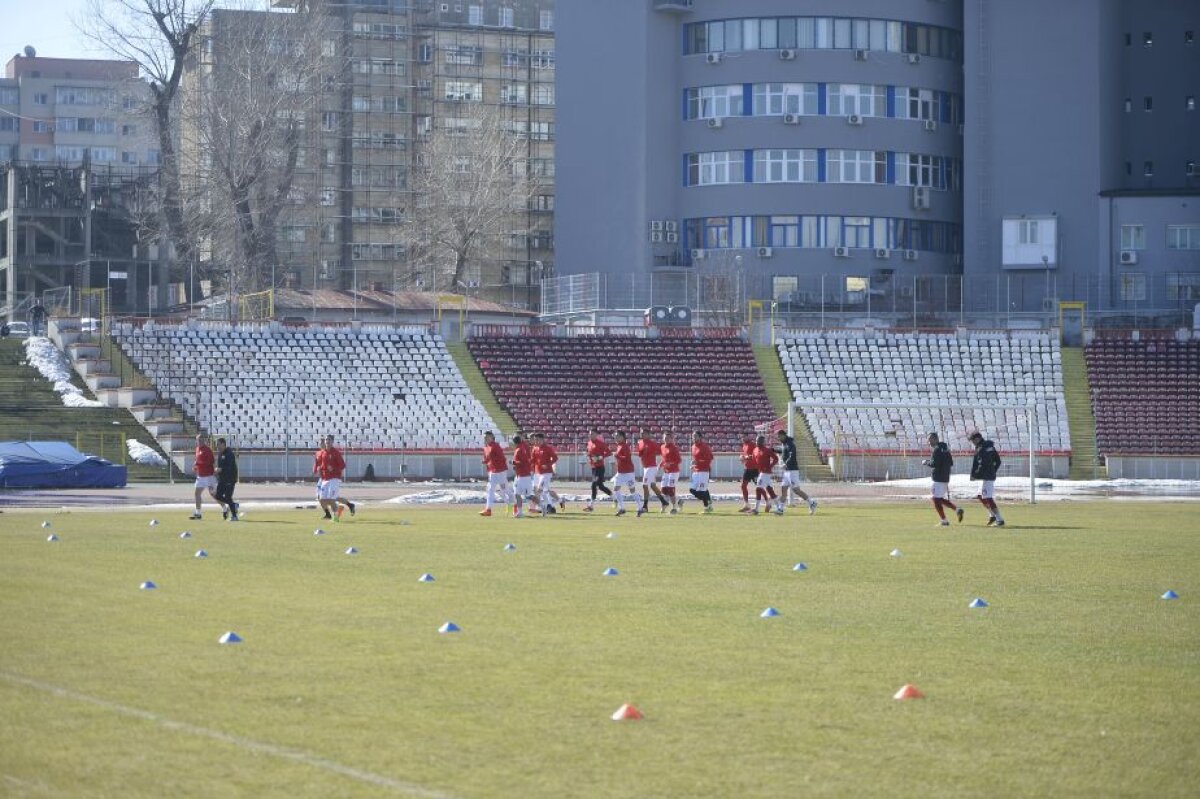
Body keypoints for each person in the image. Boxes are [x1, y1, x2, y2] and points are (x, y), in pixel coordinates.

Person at [775, 429, 818, 515]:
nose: (778, 438)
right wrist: (773, 450)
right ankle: (780, 509)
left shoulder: (790, 444)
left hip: (792, 471)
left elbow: (792, 455)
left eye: (779, 436)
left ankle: (811, 502)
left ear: (783, 435)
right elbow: (783, 452)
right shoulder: (784, 444)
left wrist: (785, 464)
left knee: (796, 490)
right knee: (783, 489)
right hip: (787, 471)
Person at [923, 432, 963, 527]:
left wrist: (926, 462)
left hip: (938, 478)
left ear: (935, 439)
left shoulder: (937, 450)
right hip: (945, 477)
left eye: (930, 440)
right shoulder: (946, 449)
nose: (929, 442)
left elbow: (934, 464)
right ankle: (957, 509)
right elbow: (951, 463)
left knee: (935, 499)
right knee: (939, 499)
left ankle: (944, 520)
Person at [968, 431, 1005, 526]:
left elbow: (981, 464)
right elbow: (998, 461)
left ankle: (999, 519)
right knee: (980, 495)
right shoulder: (990, 446)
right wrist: (993, 470)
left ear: (977, 439)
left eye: (972, 441)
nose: (972, 443)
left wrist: (975, 475)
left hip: (986, 476)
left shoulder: (981, 448)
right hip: (988, 475)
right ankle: (992, 515)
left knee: (988, 498)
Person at [635, 427, 668, 517]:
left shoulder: (653, 444)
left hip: (651, 467)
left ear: (648, 434)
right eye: (641, 433)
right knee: (652, 486)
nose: (642, 434)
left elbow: (662, 452)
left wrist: (664, 462)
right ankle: (664, 502)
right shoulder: (640, 443)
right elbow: (640, 454)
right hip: (646, 467)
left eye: (644, 433)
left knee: (645, 485)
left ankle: (645, 506)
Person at [479, 431, 512, 517]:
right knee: (490, 490)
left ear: (492, 437)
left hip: (500, 471)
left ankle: (513, 503)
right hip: (492, 472)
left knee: (504, 490)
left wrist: (497, 465)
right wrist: (485, 461)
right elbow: (487, 459)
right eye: (485, 437)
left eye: (487, 437)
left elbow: (502, 458)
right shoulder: (485, 447)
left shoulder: (496, 446)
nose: (485, 438)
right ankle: (488, 509)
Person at [324, 435, 357, 520]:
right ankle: (350, 505)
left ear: (332, 442)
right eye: (326, 440)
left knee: (331, 498)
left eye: (329, 440)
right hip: (327, 479)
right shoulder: (324, 452)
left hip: (335, 478)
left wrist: (333, 468)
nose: (327, 441)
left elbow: (343, 465)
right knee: (333, 497)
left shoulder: (336, 452)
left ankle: (336, 517)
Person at [531, 432, 564, 515]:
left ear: (542, 440)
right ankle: (557, 502)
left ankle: (546, 507)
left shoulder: (548, 448)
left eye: (537, 440)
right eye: (535, 440)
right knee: (544, 490)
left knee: (540, 490)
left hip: (546, 473)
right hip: (537, 473)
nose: (536, 441)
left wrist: (548, 464)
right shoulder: (534, 448)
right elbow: (533, 460)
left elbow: (555, 458)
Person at [584, 427, 613, 512]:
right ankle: (614, 497)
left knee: (594, 485)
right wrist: (589, 456)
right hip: (593, 468)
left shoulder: (600, 443)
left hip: (600, 468)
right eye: (589, 433)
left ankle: (591, 506)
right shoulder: (589, 443)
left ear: (596, 435)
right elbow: (589, 453)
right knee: (600, 486)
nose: (590, 435)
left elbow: (609, 452)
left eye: (592, 433)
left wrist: (600, 457)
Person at [190, 433, 218, 520]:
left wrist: (199, 464)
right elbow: (197, 460)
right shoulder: (197, 449)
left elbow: (211, 462)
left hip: (208, 476)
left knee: (213, 494)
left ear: (204, 441)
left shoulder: (207, 450)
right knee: (197, 493)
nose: (199, 441)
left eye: (201, 440)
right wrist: (195, 466)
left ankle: (227, 507)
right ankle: (198, 513)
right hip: (200, 476)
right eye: (198, 440)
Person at [610, 430, 638, 516]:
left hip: (628, 472)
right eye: (615, 436)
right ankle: (622, 508)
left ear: (623, 437)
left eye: (618, 436)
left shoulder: (625, 446)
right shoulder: (619, 446)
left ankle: (640, 508)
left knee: (632, 491)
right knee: (616, 489)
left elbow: (626, 458)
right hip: (621, 472)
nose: (616, 438)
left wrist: (617, 456)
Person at [213, 437, 240, 521]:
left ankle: (234, 516)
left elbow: (230, 467)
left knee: (228, 497)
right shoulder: (220, 454)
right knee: (217, 496)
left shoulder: (229, 454)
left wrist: (221, 469)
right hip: (222, 479)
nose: (217, 447)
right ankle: (233, 505)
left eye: (218, 445)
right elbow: (220, 466)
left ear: (223, 444)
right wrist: (217, 470)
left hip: (230, 479)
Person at [688, 430, 715, 513]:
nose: (693, 438)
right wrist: (693, 466)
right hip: (695, 472)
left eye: (695, 436)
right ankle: (709, 501)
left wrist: (698, 462)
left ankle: (707, 507)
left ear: (700, 437)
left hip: (704, 472)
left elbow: (709, 460)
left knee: (701, 491)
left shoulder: (705, 447)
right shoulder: (692, 447)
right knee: (692, 490)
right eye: (693, 436)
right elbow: (695, 460)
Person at [752, 435, 779, 515]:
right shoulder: (755, 450)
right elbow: (754, 459)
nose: (758, 442)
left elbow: (776, 458)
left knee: (758, 489)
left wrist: (770, 466)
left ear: (763, 442)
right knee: (770, 491)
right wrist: (746, 458)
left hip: (766, 473)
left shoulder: (767, 450)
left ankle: (756, 509)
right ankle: (779, 508)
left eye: (760, 441)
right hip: (761, 472)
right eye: (757, 440)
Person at [659, 431, 682, 514]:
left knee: (670, 489)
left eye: (668, 438)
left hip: (674, 471)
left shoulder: (674, 448)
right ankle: (679, 501)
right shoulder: (662, 447)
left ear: (672, 439)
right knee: (663, 490)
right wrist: (660, 465)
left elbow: (679, 460)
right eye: (665, 438)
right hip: (666, 472)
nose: (666, 439)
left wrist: (670, 463)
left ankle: (674, 508)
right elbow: (664, 459)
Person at [511, 433, 533, 517]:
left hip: (524, 475)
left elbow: (524, 461)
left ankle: (542, 505)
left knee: (528, 496)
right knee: (517, 494)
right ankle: (519, 512)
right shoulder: (522, 447)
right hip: (520, 474)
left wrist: (514, 463)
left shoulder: (521, 448)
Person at [738, 432, 758, 513]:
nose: (742, 439)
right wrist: (742, 457)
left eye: (744, 437)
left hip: (755, 469)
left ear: (747, 437)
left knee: (759, 487)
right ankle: (746, 505)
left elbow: (756, 455)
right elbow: (744, 455)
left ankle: (768, 502)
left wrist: (746, 457)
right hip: (747, 469)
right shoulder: (744, 445)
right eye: (741, 437)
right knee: (743, 486)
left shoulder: (752, 445)